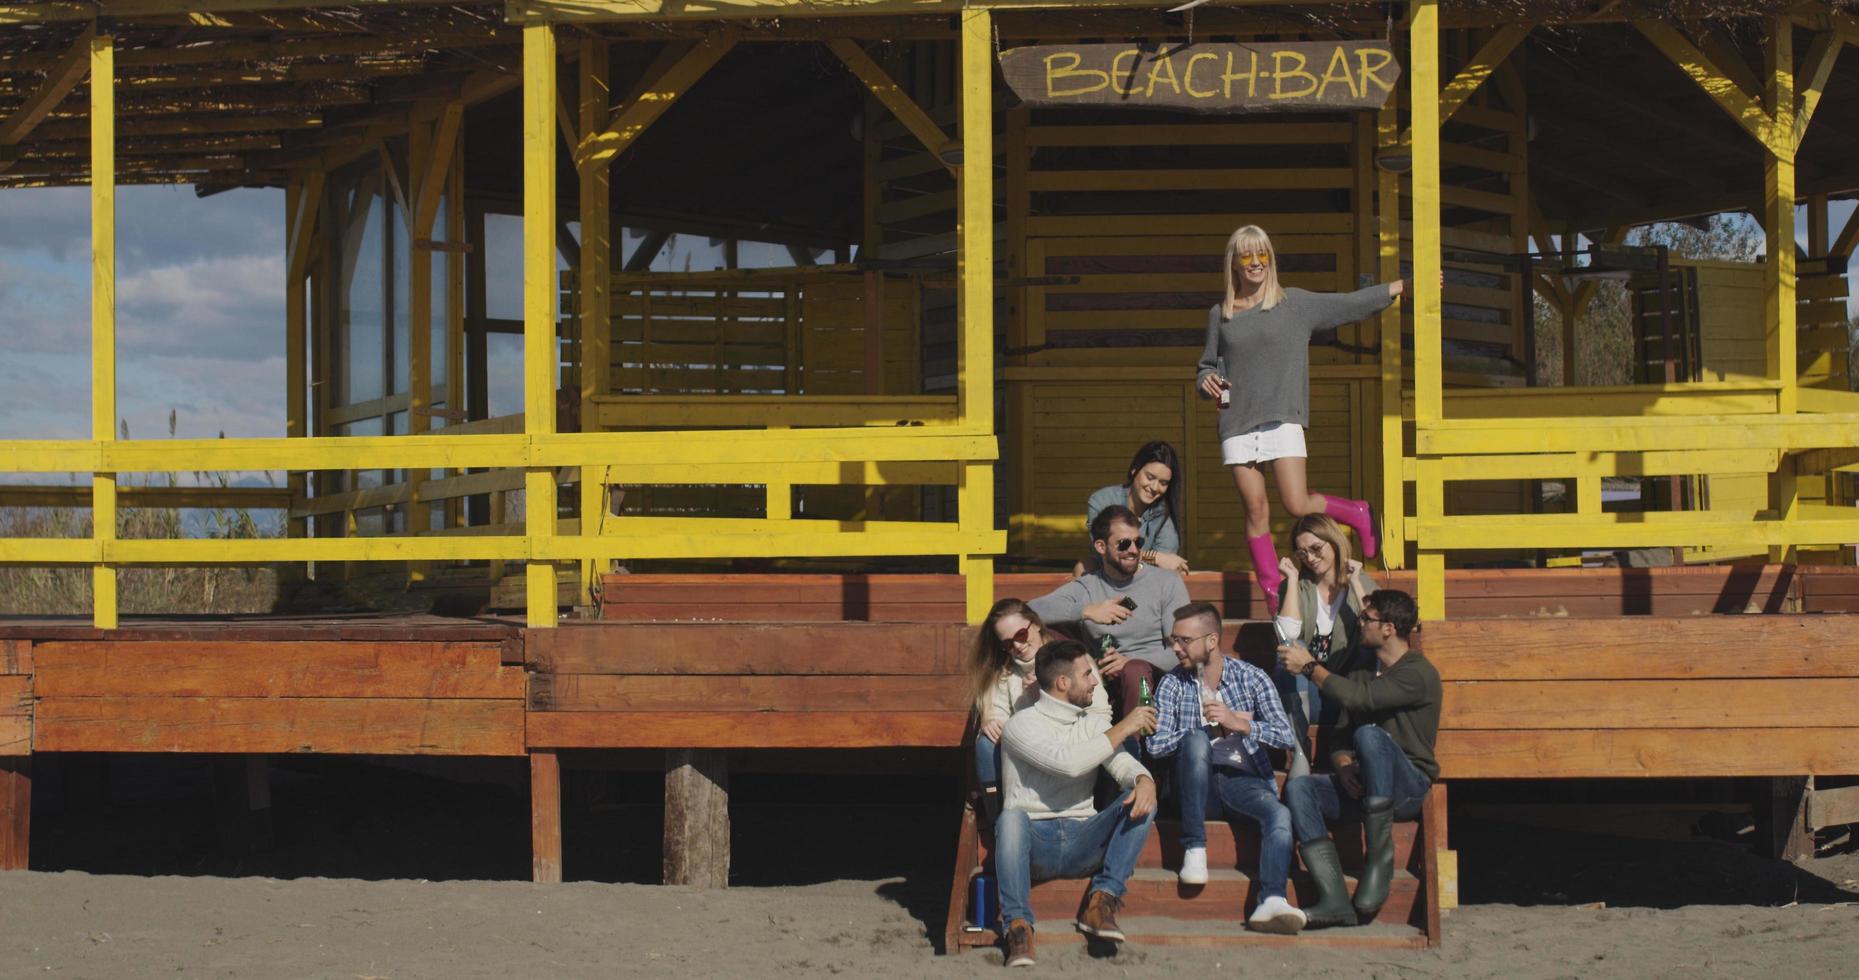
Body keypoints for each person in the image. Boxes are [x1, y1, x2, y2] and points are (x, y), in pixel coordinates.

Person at [1195, 224, 1404, 616]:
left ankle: (1358, 513)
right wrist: (1204, 380)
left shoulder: (1294, 304)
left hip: (1281, 417)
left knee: (1296, 502)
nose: (1256, 263)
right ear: (1234, 264)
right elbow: (1207, 365)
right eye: (1247, 256)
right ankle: (1274, 592)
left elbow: (1349, 303)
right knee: (1255, 511)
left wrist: (1398, 288)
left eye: (1263, 255)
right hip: (1236, 422)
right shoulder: (1219, 314)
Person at [1278, 589, 1441, 929]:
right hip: (1366, 787)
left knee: (1369, 734)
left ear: (1389, 627)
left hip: (1407, 788)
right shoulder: (1362, 671)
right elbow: (1339, 736)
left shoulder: (1418, 673)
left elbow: (1361, 700)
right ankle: (1334, 898)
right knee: (1300, 790)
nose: (1360, 624)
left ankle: (1379, 861)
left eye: (1367, 618)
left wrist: (1310, 667)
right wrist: (1342, 764)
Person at [996, 639, 1159, 967]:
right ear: (1062, 683)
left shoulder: (1094, 724)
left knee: (1143, 794)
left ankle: (1102, 900)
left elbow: (1122, 765)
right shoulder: (1021, 725)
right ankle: (1018, 925)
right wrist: (1125, 726)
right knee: (1010, 819)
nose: (1096, 682)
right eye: (1088, 674)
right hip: (1034, 843)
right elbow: (1066, 762)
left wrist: (1144, 779)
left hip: (1083, 837)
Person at [1146, 602, 1304, 934]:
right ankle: (1194, 847)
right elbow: (1155, 745)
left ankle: (1272, 899)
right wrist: (1198, 735)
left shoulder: (1252, 677)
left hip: (1240, 778)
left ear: (1212, 640)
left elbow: (1286, 735)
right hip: (1192, 785)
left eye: (1184, 640)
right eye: (1174, 639)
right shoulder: (1174, 684)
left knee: (1279, 815)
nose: (1176, 648)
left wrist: (1241, 724)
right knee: (1196, 742)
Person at [1029, 505, 1191, 722]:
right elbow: (1029, 611)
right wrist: (1087, 611)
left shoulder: (1166, 582)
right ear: (1101, 546)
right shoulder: (1088, 586)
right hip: (1101, 682)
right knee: (1049, 632)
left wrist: (1130, 660)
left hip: (1153, 680)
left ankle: (1135, 749)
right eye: (1124, 544)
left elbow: (1183, 650)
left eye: (1138, 542)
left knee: (1136, 671)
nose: (1134, 550)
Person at [966, 598, 1111, 827]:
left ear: (1036, 624)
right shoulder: (1003, 671)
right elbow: (1000, 717)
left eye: (1021, 635)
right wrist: (993, 720)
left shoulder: (1070, 658)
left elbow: (1100, 713)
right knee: (986, 743)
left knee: (1120, 744)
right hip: (1028, 756)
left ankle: (1105, 819)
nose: (1017, 646)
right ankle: (999, 825)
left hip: (1073, 750)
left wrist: (1046, 697)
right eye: (1007, 643)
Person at [1274, 514, 1378, 764]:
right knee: (1291, 648)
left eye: (1316, 548)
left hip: (1347, 694)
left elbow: (1376, 631)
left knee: (1368, 652)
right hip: (1308, 695)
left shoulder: (1361, 582)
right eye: (1302, 553)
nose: (1310, 558)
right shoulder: (1297, 587)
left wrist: (1354, 583)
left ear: (1334, 542)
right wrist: (1292, 580)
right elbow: (1287, 636)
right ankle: (1299, 750)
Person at [1078, 441, 1189, 576]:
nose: (1154, 487)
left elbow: (1166, 564)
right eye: (1150, 477)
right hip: (1108, 575)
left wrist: (1156, 560)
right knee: (1084, 566)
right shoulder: (1102, 500)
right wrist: (1154, 557)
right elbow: (1105, 551)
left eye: (1163, 483)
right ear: (1134, 469)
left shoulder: (1163, 513)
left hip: (1146, 579)